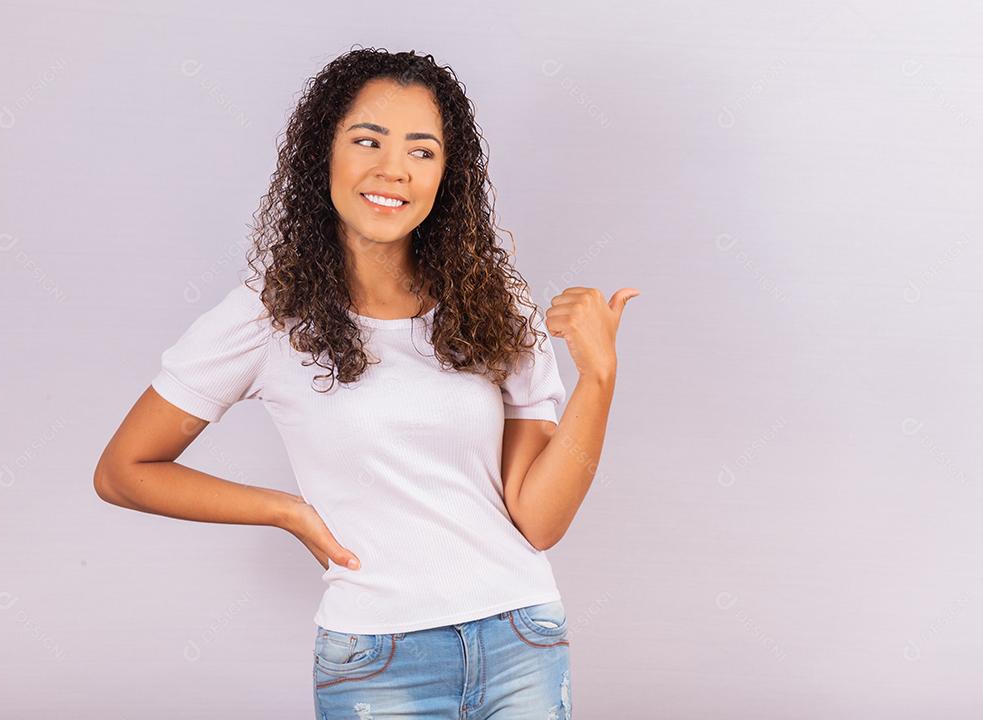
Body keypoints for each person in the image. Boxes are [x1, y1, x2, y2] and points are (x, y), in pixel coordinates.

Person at [94, 46, 638, 718]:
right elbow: (124, 470)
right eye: (368, 140)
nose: (393, 170)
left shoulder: (496, 302)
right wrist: (285, 511)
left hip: (521, 636)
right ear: (324, 153)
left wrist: (598, 377)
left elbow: (538, 518)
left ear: (448, 174)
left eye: (421, 150)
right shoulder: (269, 316)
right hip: (379, 658)